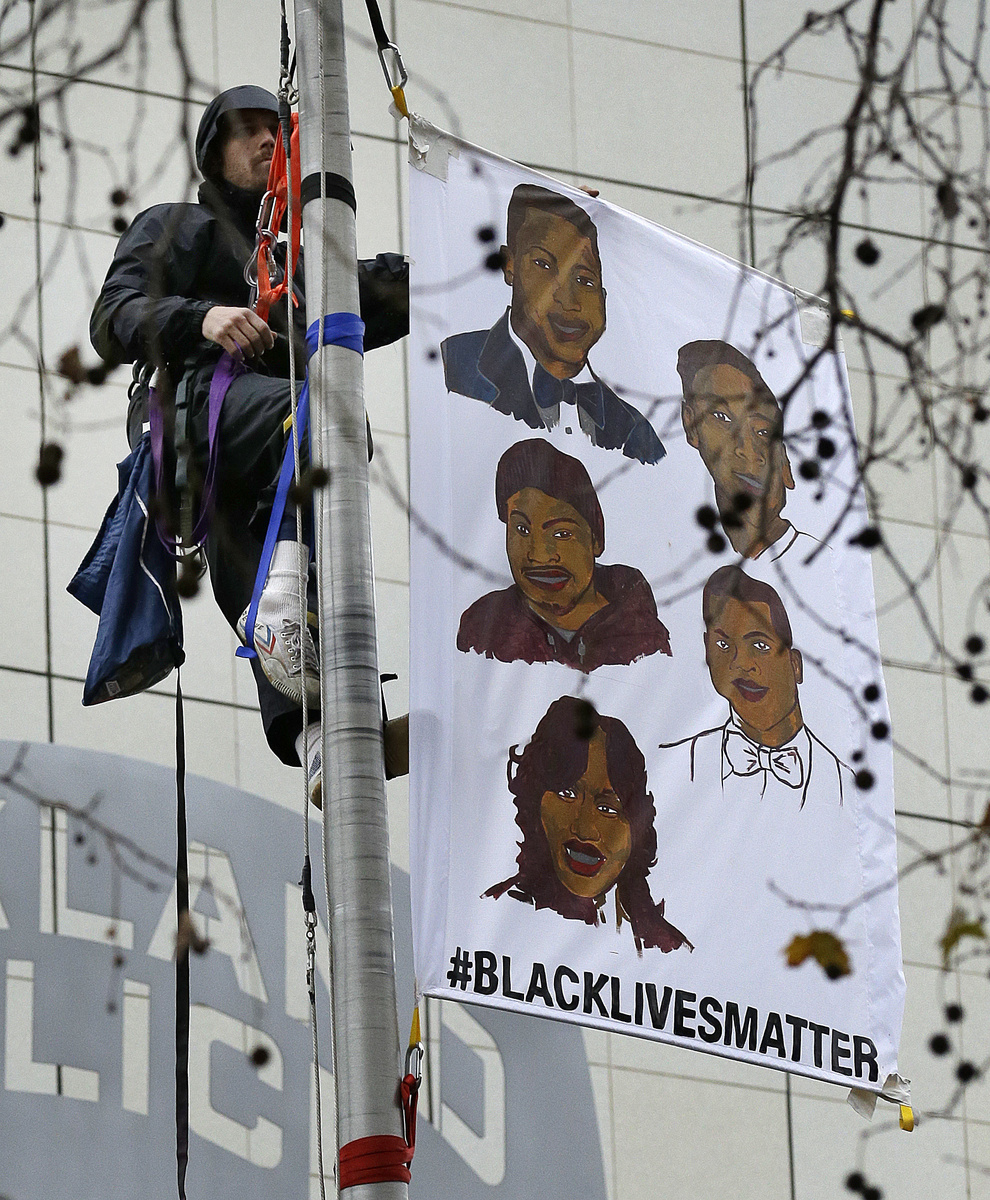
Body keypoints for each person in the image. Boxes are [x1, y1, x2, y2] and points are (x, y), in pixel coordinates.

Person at [89, 85, 409, 788]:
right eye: (248, 131)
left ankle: (326, 737)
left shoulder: (305, 274)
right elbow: (115, 316)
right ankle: (288, 616)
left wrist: (522, 238)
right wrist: (201, 316)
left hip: (262, 460)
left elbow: (409, 285)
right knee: (327, 418)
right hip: (201, 414)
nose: (268, 141)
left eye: (277, 131)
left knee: (283, 573)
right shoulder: (179, 227)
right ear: (214, 152)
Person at [441, 184, 665, 465]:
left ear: (604, 298)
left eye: (585, 280)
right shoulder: (451, 367)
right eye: (543, 265)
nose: (568, 300)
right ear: (510, 265)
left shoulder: (635, 432)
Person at [485, 696, 692, 953]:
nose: (584, 830)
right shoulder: (490, 919)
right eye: (566, 794)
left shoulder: (665, 949)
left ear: (637, 826)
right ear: (535, 801)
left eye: (607, 809)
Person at [457, 439, 671, 671]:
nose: (539, 555)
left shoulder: (639, 634)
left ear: (595, 539)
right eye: (522, 530)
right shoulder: (484, 628)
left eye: (561, 533)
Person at [661, 566, 852, 808]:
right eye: (722, 644)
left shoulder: (844, 786)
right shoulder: (679, 766)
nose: (740, 663)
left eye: (760, 646)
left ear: (795, 665)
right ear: (707, 650)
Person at [677, 339, 820, 561]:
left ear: (785, 463)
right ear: (690, 423)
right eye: (722, 418)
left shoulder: (813, 562)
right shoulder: (690, 556)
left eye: (763, 432)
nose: (747, 450)